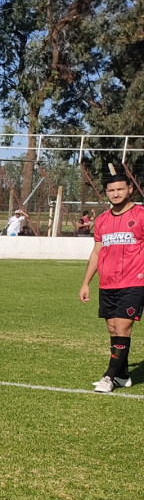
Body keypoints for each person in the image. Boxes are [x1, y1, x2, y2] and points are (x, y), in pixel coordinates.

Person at [79, 163, 144, 393]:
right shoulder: (102, 220)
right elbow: (97, 253)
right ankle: (123, 375)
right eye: (111, 190)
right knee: (113, 328)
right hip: (108, 283)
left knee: (123, 327)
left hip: (134, 282)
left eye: (120, 189)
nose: (115, 194)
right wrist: (86, 283)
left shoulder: (141, 215)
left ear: (130, 190)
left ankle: (109, 376)